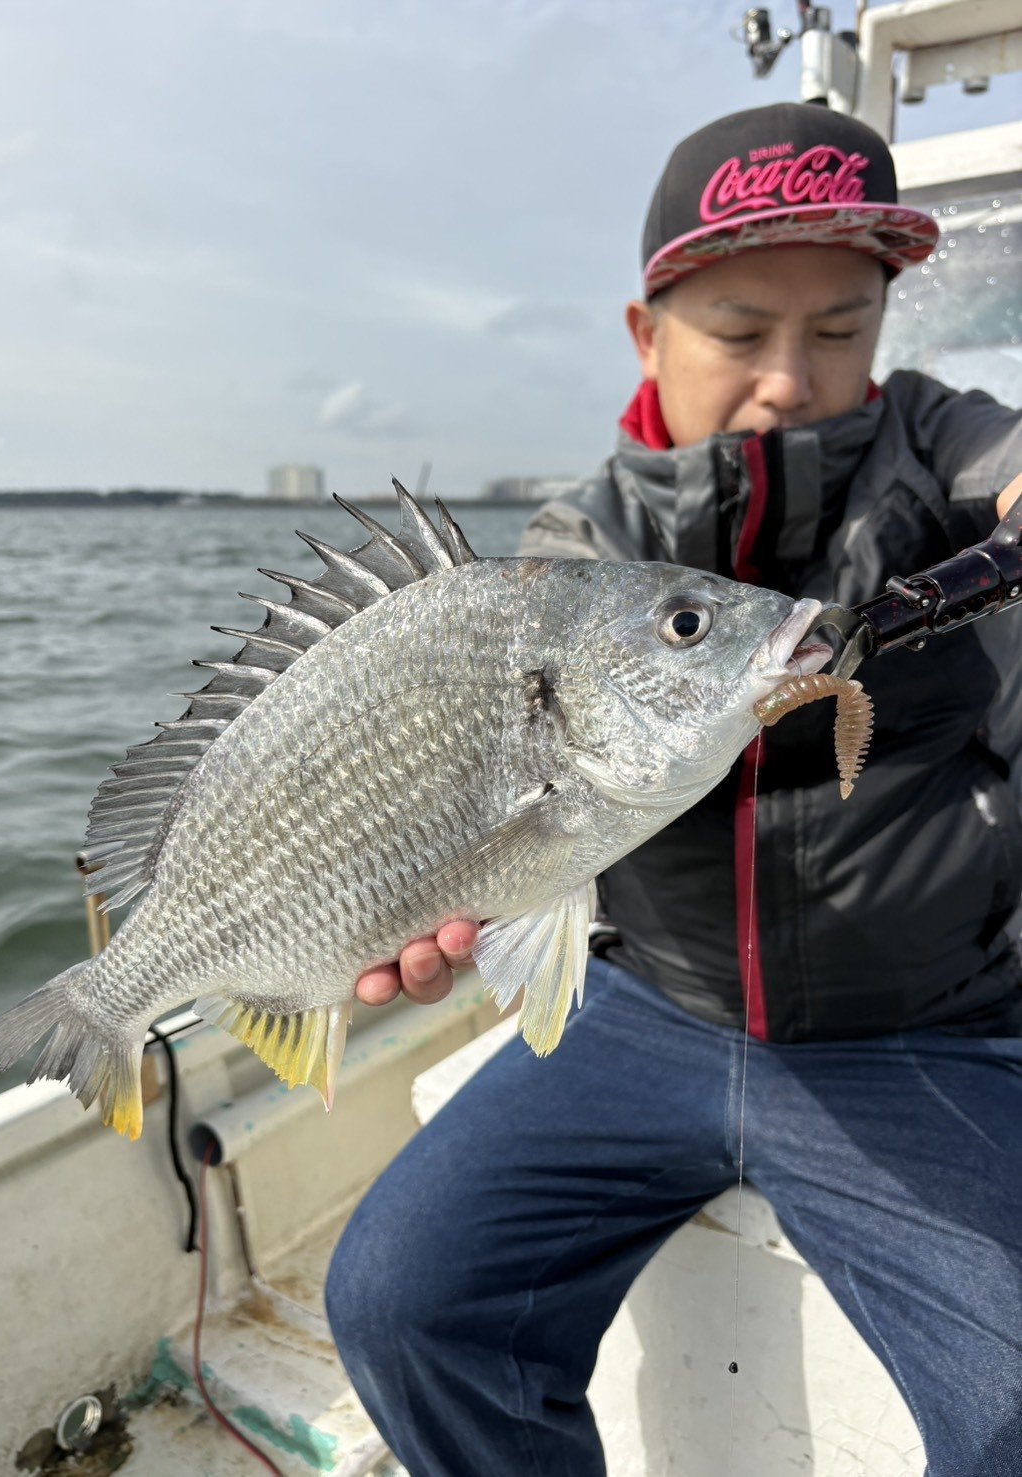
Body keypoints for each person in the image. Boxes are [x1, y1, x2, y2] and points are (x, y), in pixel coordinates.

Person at [325, 103, 1022, 1476]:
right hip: (645, 1014)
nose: (791, 378)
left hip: (925, 1028)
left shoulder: (943, 447)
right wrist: (406, 893)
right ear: (647, 335)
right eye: (741, 330)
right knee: (399, 1301)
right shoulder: (579, 550)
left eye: (841, 329)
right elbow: (475, 791)